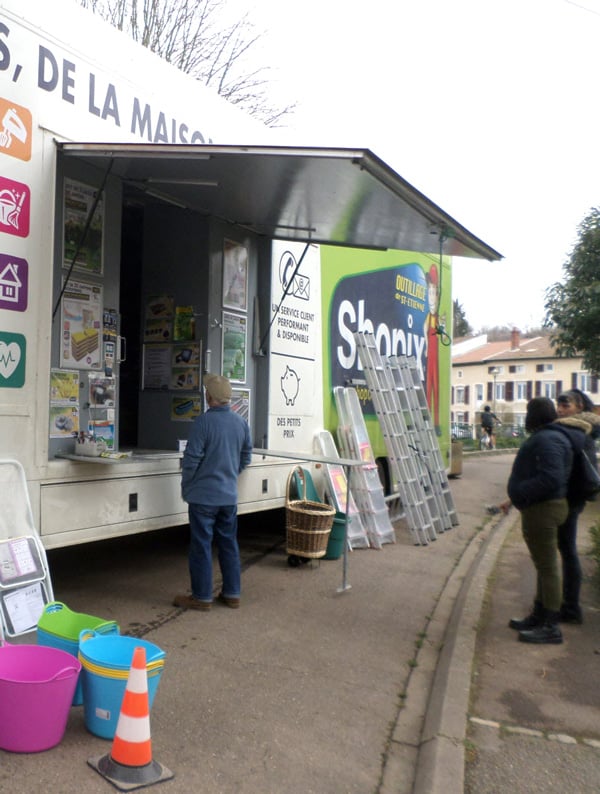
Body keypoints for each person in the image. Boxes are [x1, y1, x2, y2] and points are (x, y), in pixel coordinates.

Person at [173, 373, 252, 611]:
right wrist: (230, 474)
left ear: (209, 397)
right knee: (229, 544)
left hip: (203, 497)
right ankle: (232, 594)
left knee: (202, 546)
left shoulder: (203, 423)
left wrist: (187, 486)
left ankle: (202, 597)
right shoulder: (241, 423)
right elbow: (246, 456)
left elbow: (192, 459)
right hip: (228, 497)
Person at [503, 397, 578, 644]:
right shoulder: (551, 436)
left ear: (533, 415)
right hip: (543, 508)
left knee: (547, 567)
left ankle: (551, 625)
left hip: (543, 510)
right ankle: (540, 614)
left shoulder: (548, 439)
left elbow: (551, 478)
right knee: (543, 565)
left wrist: (522, 492)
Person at [554, 389, 600, 624]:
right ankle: (569, 605)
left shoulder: (577, 430)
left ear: (579, 406)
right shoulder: (584, 428)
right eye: (559, 405)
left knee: (568, 551)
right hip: (576, 497)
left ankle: (570, 608)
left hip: (570, 498)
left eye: (566, 405)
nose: (561, 410)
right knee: (566, 550)